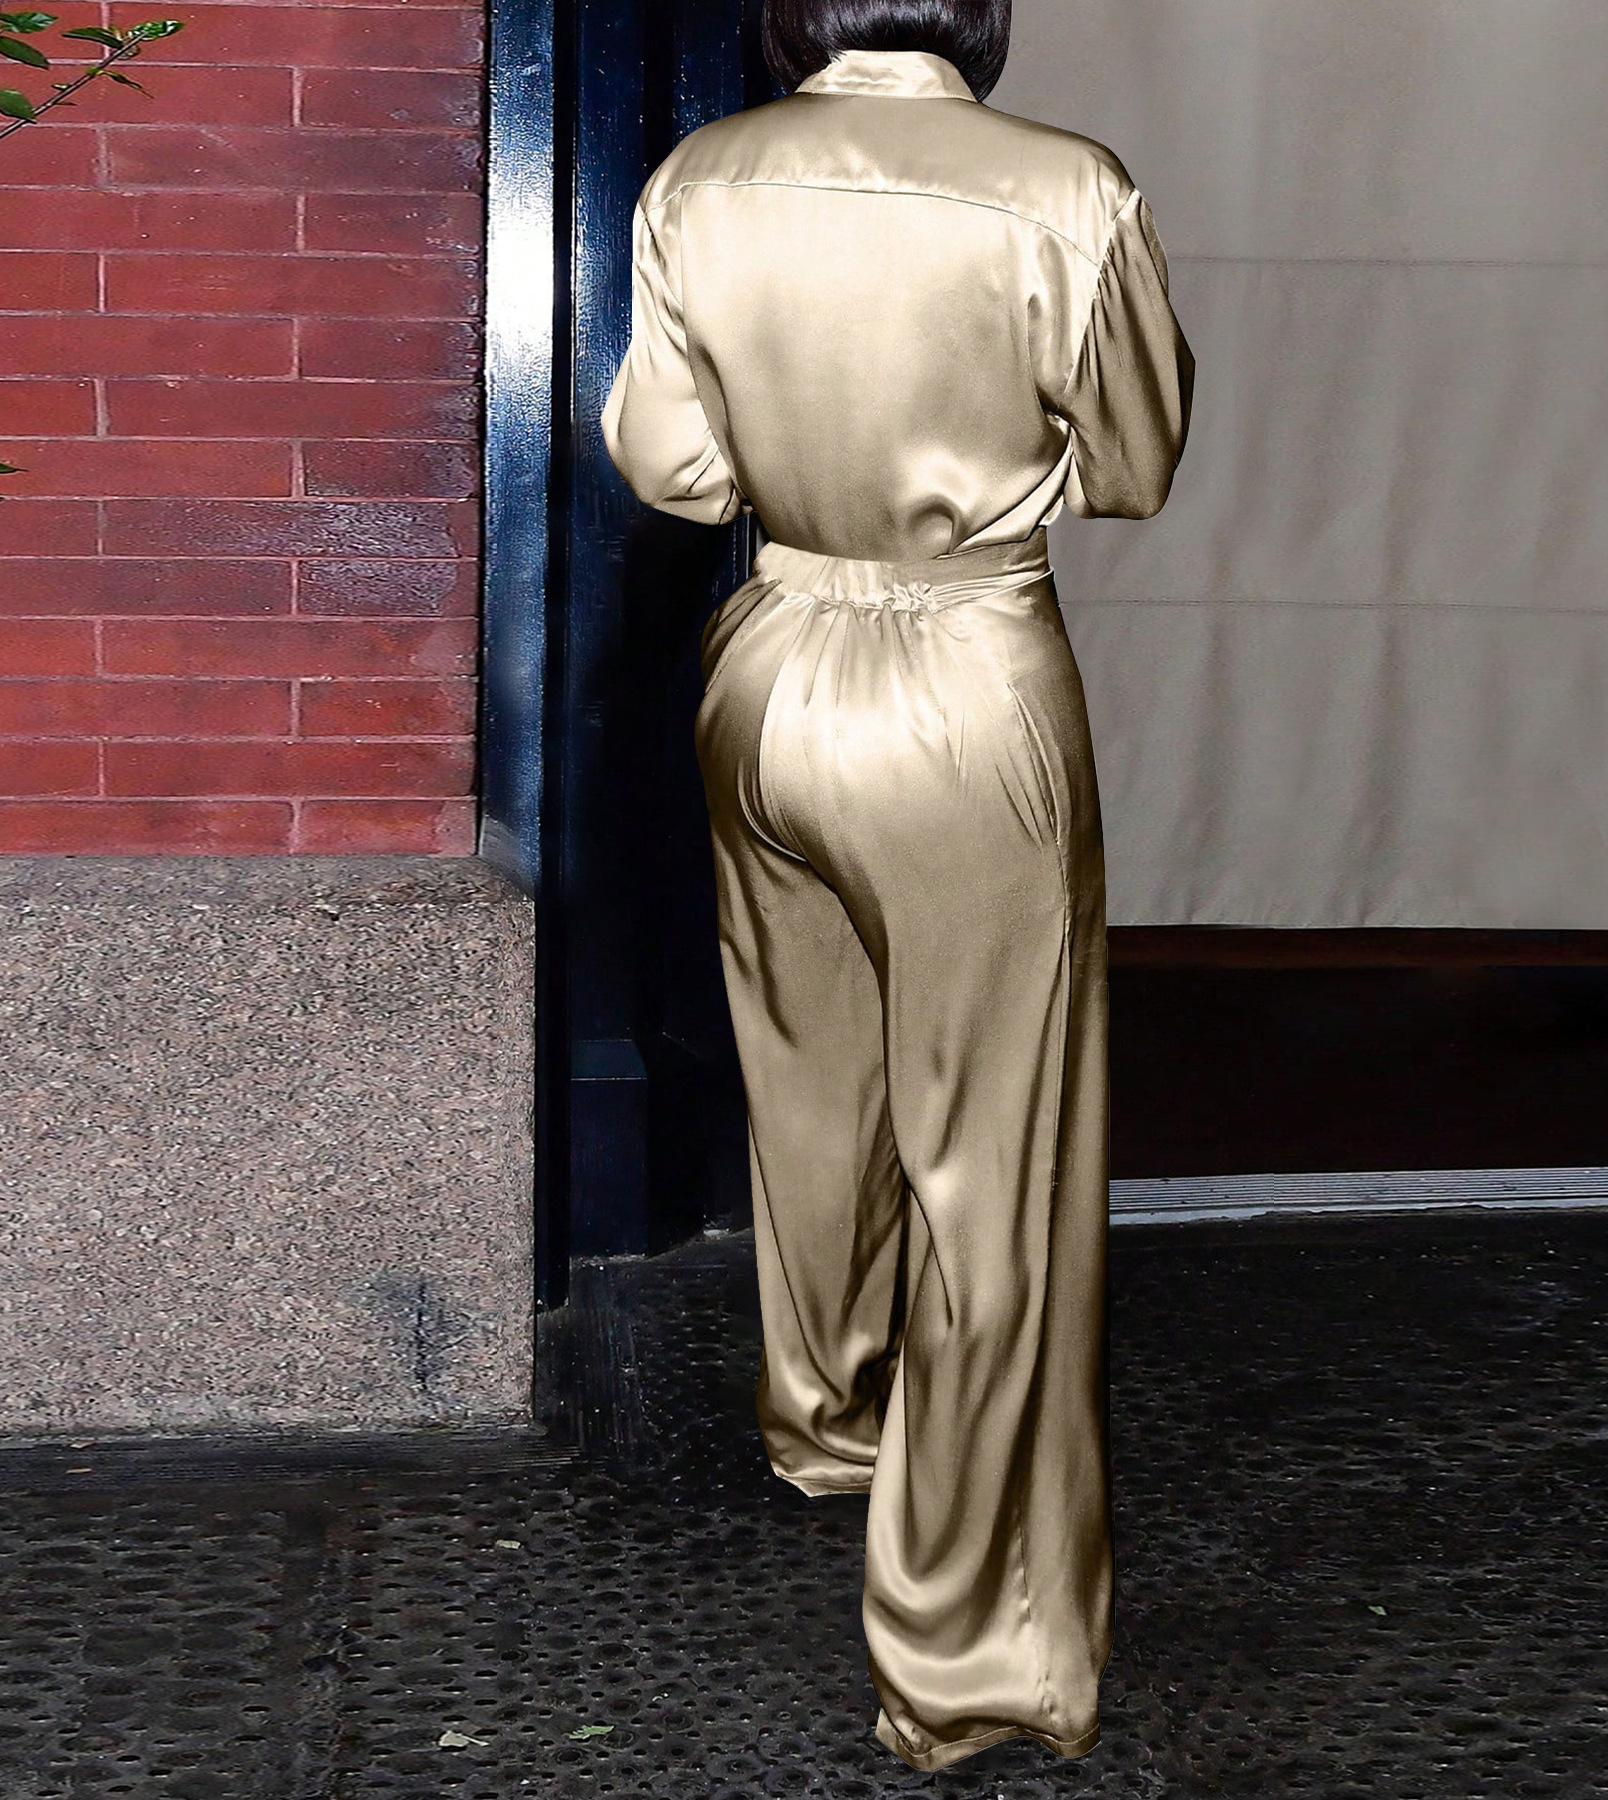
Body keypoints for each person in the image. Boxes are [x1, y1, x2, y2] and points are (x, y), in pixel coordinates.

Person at [601, 0, 1193, 1771]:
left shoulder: (700, 178)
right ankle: (969, 1650)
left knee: (812, 1078)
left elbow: (672, 465)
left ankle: (827, 1411)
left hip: (770, 656)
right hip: (962, 681)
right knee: (992, 1161)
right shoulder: (1067, 188)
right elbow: (1137, 464)